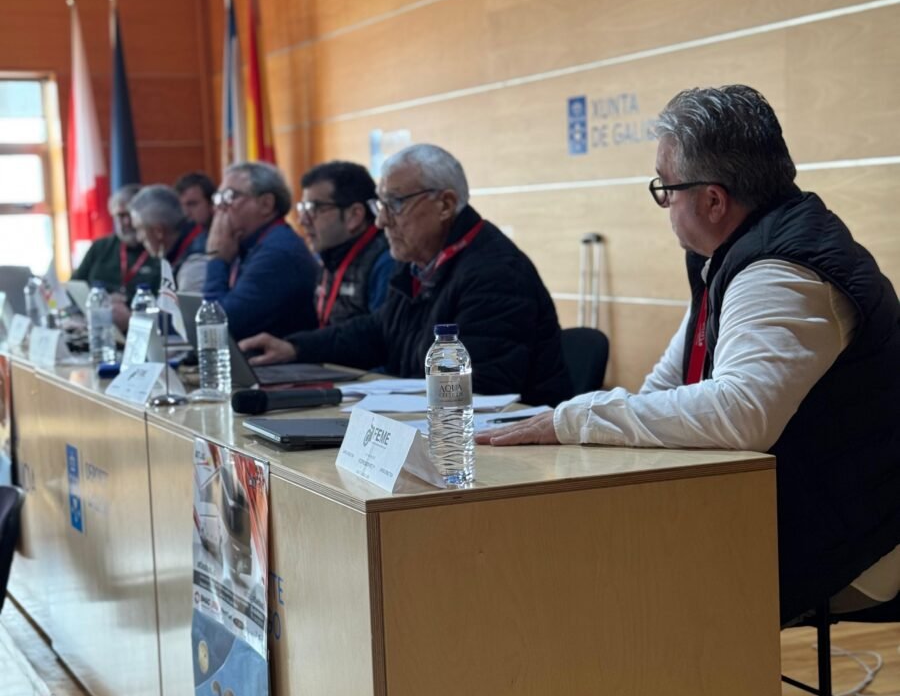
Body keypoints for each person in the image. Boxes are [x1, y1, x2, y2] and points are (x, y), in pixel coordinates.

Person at [479, 84, 900, 623]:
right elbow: (669, 384)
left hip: (852, 536)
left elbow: (740, 414)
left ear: (713, 201)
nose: (663, 204)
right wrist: (590, 426)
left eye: (665, 188)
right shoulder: (732, 251)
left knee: (616, 583)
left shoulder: (780, 271)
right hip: (792, 502)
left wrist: (575, 419)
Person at [240, 144, 571, 406]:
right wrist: (294, 348)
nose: (381, 221)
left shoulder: (496, 274)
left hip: (511, 450)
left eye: (394, 204)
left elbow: (479, 392)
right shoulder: (418, 262)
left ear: (445, 205)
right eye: (380, 205)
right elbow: (377, 332)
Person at [203, 161, 318, 341]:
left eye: (229, 196)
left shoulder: (278, 251)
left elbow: (215, 328)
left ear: (266, 204)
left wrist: (216, 259)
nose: (218, 208)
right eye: (218, 198)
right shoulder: (247, 244)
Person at [298, 160, 392, 326]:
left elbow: (381, 335)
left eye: (314, 208)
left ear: (354, 215)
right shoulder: (328, 254)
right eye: (303, 208)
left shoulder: (386, 262)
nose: (303, 221)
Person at [70, 183, 161, 301]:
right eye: (121, 216)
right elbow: (74, 286)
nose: (127, 222)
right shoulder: (100, 247)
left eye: (131, 215)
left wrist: (127, 304)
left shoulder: (159, 248)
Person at [130, 185, 208, 292]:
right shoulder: (176, 251)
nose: (139, 238)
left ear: (158, 231)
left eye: (139, 229)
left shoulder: (194, 266)